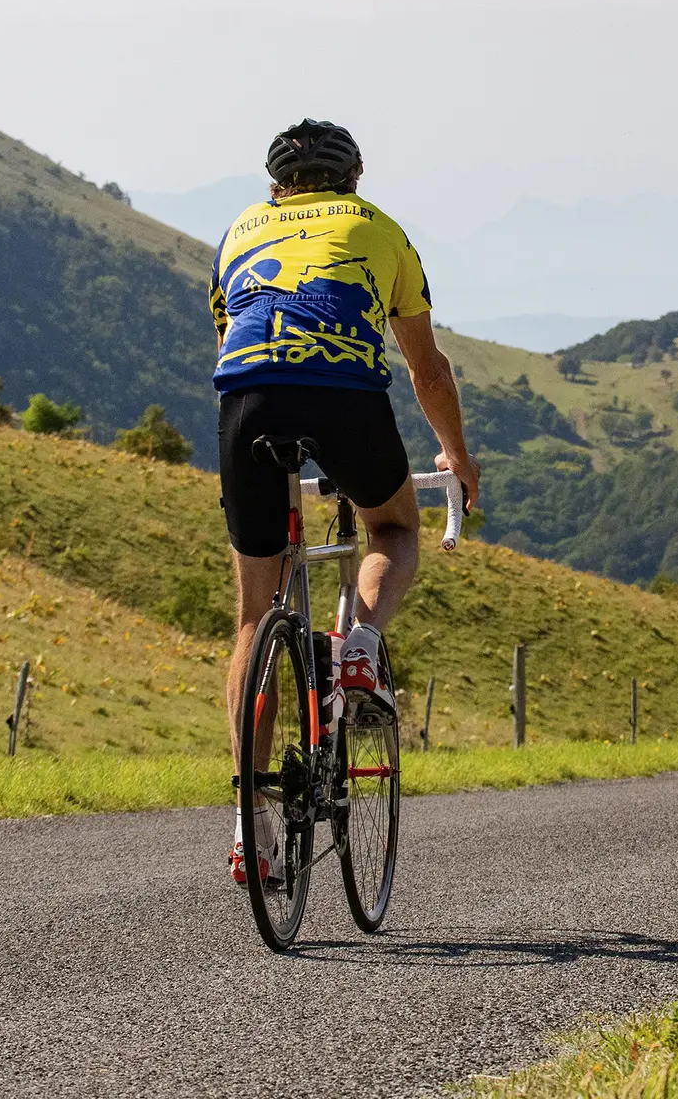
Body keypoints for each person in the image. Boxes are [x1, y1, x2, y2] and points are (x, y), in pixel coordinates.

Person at [212, 118, 477, 885]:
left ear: (275, 188)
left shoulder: (239, 232)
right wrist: (458, 458)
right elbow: (427, 369)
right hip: (344, 401)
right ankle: (357, 644)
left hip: (249, 405)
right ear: (355, 178)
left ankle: (250, 825)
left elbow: (234, 335)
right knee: (392, 526)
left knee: (253, 619)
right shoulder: (380, 229)